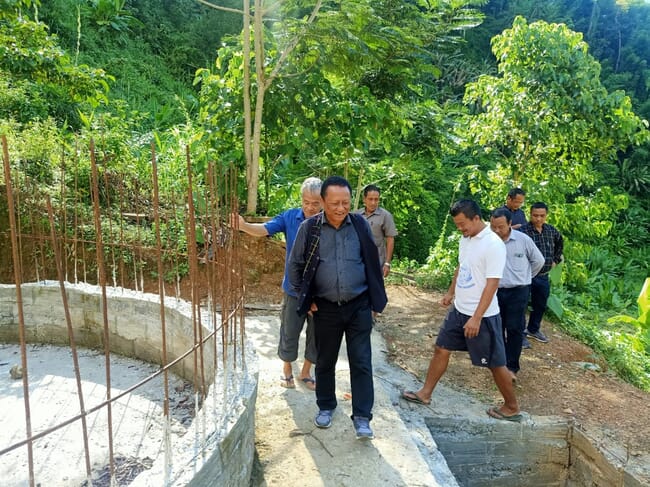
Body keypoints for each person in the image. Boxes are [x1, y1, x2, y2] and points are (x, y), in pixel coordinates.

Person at [400, 199, 521, 421]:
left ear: (476, 218)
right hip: (459, 310)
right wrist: (450, 292)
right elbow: (462, 267)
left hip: (483, 316)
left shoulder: (493, 245)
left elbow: (492, 284)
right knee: (441, 349)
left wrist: (476, 318)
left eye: (463, 224)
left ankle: (512, 407)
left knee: (495, 364)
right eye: (457, 224)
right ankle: (425, 393)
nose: (460, 228)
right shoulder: (466, 239)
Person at [288, 176, 387, 439]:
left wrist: (375, 301)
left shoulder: (360, 225)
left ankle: (363, 417)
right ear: (322, 202)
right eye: (334, 203)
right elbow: (295, 266)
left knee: (362, 361)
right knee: (325, 360)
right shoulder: (309, 229)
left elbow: (372, 263)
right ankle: (326, 406)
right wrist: (305, 298)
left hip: (358, 305)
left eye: (345, 202)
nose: (341, 208)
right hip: (325, 307)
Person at [231, 177, 322, 390]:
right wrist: (243, 226)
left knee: (317, 335)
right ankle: (287, 369)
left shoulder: (330, 222)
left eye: (315, 203)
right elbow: (264, 229)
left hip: (321, 292)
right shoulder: (290, 217)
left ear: (323, 201)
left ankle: (306, 371)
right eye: (306, 202)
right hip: (294, 289)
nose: (310, 207)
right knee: (289, 330)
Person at [490, 208, 544, 381]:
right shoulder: (488, 241)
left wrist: (526, 277)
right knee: (497, 327)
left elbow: (539, 261)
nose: (497, 231)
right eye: (493, 227)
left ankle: (512, 367)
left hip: (518, 291)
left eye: (501, 227)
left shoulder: (523, 240)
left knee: (514, 328)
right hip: (495, 290)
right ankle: (499, 363)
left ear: (510, 224)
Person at [520, 202, 564, 347]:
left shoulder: (551, 231)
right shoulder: (523, 232)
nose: (538, 219)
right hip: (526, 276)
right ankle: (519, 335)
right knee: (521, 304)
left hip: (544, 275)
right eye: (535, 215)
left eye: (542, 216)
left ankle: (533, 329)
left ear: (546, 215)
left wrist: (555, 260)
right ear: (530, 214)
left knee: (540, 304)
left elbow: (560, 244)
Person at [355, 184, 398, 277]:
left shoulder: (385, 216)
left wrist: (387, 263)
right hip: (357, 262)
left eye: (376, 199)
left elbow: (390, 239)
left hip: (377, 263)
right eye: (370, 199)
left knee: (374, 290)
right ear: (364, 199)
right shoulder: (356, 215)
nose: (373, 202)